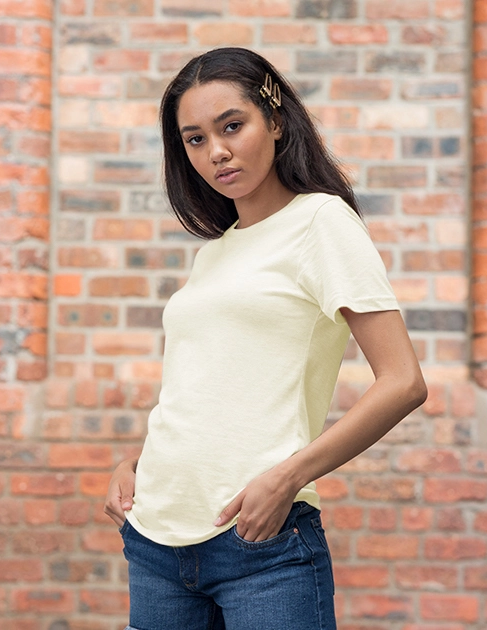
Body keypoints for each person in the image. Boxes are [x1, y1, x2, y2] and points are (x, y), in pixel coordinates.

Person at [104, 47, 427, 630]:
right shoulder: (215, 253)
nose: (216, 151)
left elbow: (403, 382)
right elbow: (208, 389)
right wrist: (138, 462)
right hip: (155, 539)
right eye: (195, 139)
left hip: (259, 544)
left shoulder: (321, 222)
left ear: (275, 121)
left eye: (232, 126)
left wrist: (288, 477)